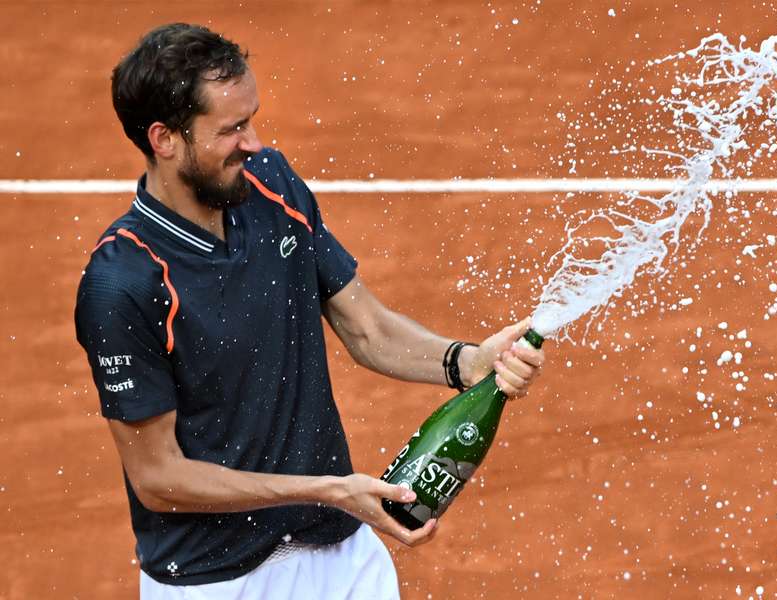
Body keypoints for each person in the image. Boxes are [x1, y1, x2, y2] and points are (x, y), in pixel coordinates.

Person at [74, 23, 545, 599]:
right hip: (219, 581)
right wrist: (325, 489)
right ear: (165, 139)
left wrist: (465, 361)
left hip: (341, 555)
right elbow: (159, 478)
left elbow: (364, 326)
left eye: (251, 119)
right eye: (232, 128)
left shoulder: (270, 185)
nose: (253, 142)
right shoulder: (122, 283)